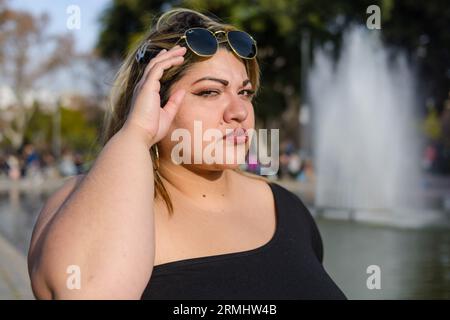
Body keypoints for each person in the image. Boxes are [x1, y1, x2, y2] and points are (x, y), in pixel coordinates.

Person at [27, 8, 345, 300]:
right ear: (152, 102)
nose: (239, 111)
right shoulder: (81, 198)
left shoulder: (285, 207)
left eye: (244, 92)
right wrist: (135, 135)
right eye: (209, 92)